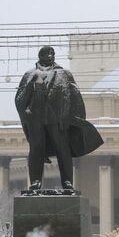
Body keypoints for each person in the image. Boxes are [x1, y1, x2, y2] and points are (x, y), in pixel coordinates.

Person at [15, 46, 103, 191]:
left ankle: (67, 182)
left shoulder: (64, 74)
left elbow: (75, 97)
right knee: (36, 150)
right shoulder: (29, 75)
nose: (51, 57)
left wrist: (77, 120)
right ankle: (35, 181)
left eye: (53, 54)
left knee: (63, 150)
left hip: (57, 120)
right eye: (48, 54)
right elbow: (19, 99)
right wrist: (27, 115)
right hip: (36, 120)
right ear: (40, 56)